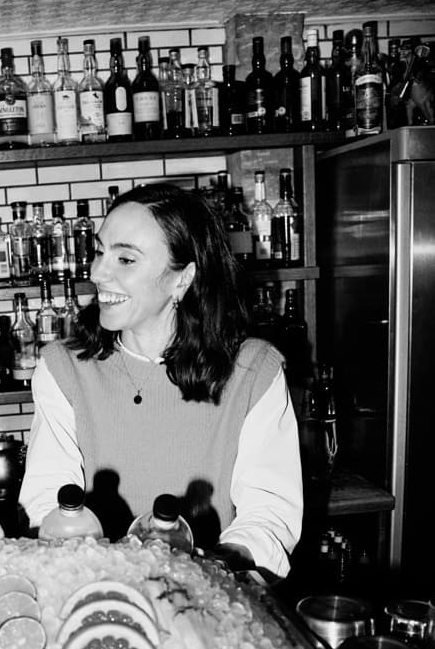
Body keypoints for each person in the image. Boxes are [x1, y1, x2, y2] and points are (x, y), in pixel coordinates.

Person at [19, 182, 302, 578]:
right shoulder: (64, 368)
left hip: (211, 602)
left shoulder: (253, 371)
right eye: (101, 252)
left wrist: (205, 572)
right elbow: (48, 497)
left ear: (181, 279)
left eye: (126, 260)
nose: (98, 272)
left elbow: (269, 512)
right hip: (96, 590)